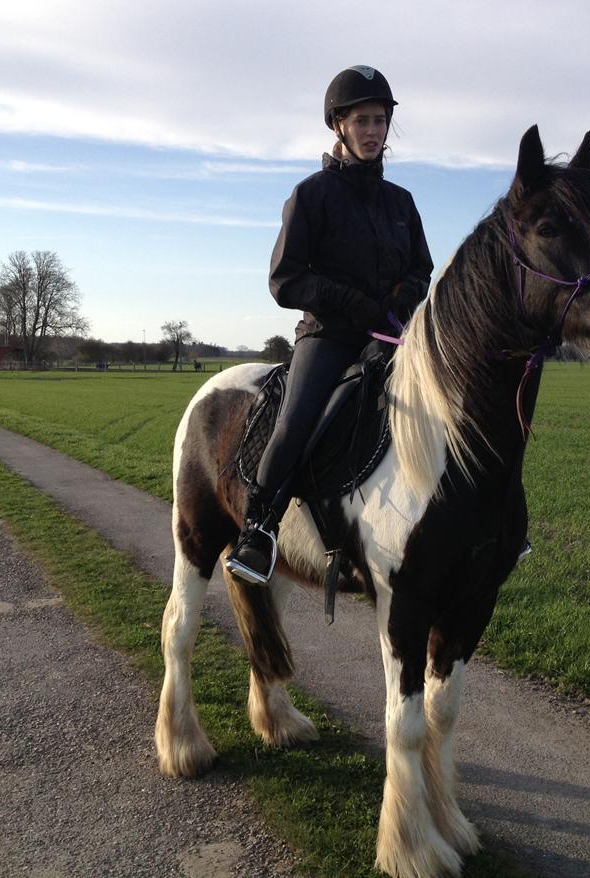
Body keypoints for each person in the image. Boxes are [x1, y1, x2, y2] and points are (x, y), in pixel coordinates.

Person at [225, 65, 433, 585]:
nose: (373, 131)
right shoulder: (311, 195)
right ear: (337, 125)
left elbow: (421, 267)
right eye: (361, 120)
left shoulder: (402, 203)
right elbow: (285, 279)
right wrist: (349, 302)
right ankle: (260, 527)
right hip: (329, 335)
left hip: (392, 333)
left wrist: (404, 295)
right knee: (300, 420)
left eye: (380, 121)